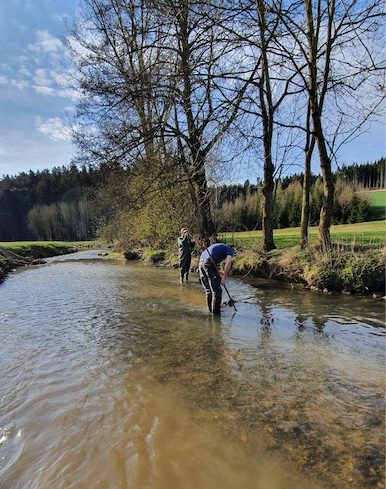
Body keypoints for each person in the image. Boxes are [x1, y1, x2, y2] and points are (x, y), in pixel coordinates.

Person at [199, 242, 233, 315]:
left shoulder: (219, 247)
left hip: (201, 263)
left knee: (208, 290)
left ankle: (210, 311)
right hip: (208, 262)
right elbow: (228, 263)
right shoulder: (229, 250)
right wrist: (224, 278)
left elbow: (214, 261)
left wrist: (220, 273)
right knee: (217, 291)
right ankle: (216, 317)